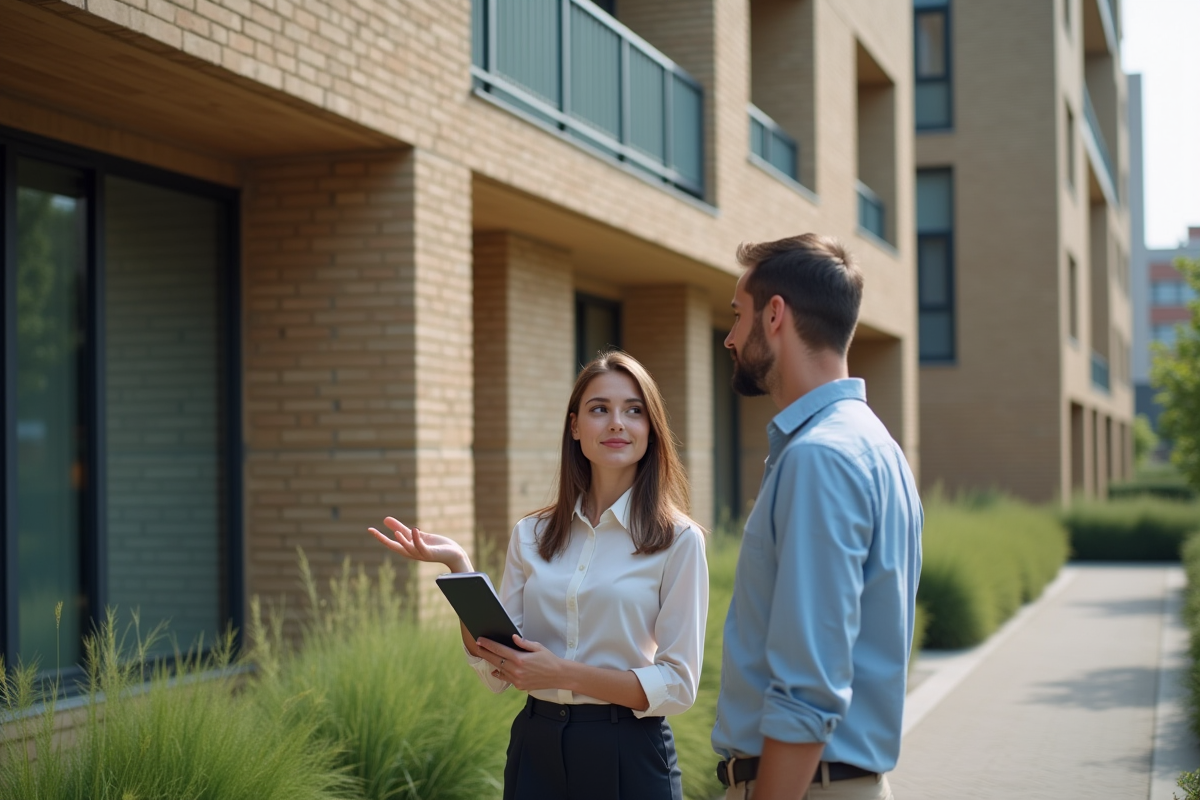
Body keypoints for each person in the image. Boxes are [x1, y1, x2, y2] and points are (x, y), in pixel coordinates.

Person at [369, 351, 708, 800]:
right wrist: (459, 567)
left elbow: (677, 686)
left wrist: (563, 673)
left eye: (634, 410)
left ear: (651, 428)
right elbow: (496, 662)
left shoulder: (678, 540)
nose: (616, 423)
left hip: (627, 750)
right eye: (599, 409)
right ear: (574, 427)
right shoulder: (531, 533)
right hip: (536, 745)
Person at [712, 234, 923, 800]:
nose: (730, 337)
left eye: (738, 315)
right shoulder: (877, 449)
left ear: (774, 314)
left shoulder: (819, 458)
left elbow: (808, 687)